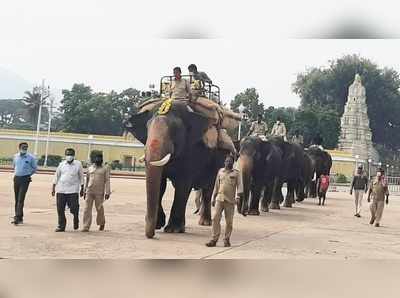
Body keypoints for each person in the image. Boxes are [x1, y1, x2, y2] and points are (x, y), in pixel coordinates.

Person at [206, 155, 243, 248]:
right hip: (220, 199)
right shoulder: (220, 172)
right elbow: (216, 186)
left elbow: (240, 186)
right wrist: (213, 198)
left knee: (229, 222)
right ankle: (214, 239)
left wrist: (238, 197)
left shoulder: (236, 173)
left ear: (233, 163)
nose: (228, 163)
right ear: (224, 162)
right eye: (226, 161)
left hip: (230, 201)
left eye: (230, 161)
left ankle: (226, 239)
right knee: (215, 218)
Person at [52, 148, 84, 232]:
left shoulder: (78, 164)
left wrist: (82, 188)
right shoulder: (61, 164)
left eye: (71, 154)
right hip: (61, 189)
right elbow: (56, 176)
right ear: (65, 155)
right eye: (67, 154)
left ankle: (75, 217)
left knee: (74, 208)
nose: (69, 156)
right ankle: (61, 226)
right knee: (60, 208)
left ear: (74, 155)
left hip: (73, 190)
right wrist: (53, 187)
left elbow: (81, 176)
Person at [82, 152, 111, 232]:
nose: (98, 160)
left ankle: (101, 222)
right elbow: (87, 180)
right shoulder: (90, 168)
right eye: (96, 158)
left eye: (99, 158)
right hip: (89, 191)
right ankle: (86, 226)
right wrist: (84, 191)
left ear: (101, 159)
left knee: (99, 208)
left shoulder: (105, 169)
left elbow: (107, 181)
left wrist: (107, 192)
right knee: (87, 209)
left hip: (99, 192)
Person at [11, 142, 37, 225]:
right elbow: (14, 166)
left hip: (25, 179)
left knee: (20, 199)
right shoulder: (15, 156)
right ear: (19, 147)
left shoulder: (31, 158)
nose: (24, 149)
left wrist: (28, 174)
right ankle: (19, 217)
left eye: (26, 147)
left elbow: (34, 168)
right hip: (16, 178)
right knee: (17, 198)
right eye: (23, 147)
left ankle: (17, 218)